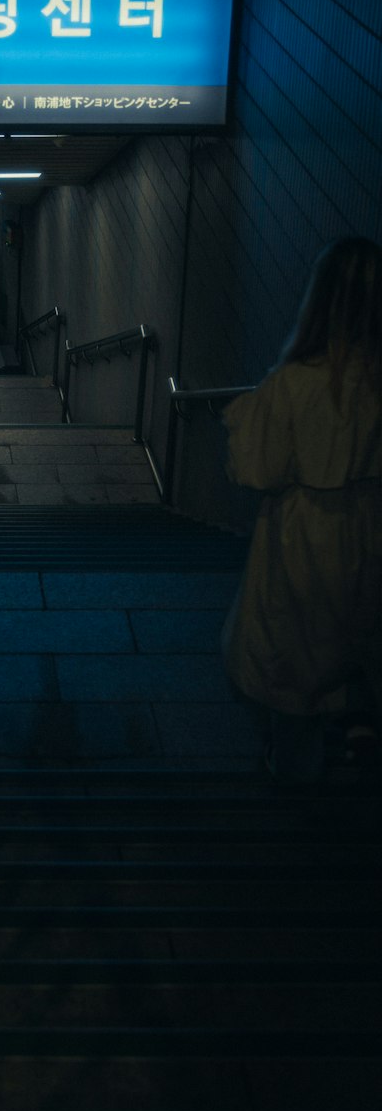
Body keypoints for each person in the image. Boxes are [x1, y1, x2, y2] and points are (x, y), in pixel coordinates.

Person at [221, 236, 382, 783]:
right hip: (370, 533)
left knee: (292, 660)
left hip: (305, 539)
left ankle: (296, 774)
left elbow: (257, 469)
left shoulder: (296, 385)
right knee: (358, 636)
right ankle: (358, 722)